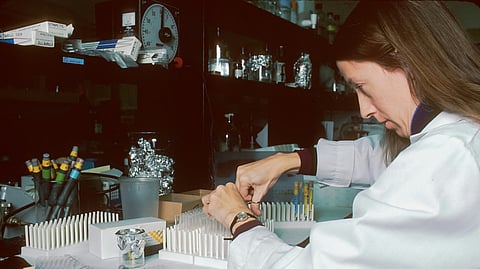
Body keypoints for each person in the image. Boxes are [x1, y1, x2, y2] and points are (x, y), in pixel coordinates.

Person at [202, 1, 480, 268]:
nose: (363, 110)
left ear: (407, 62)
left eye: (363, 87)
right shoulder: (456, 133)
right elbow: (383, 157)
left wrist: (238, 218)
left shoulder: (447, 158)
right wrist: (288, 160)